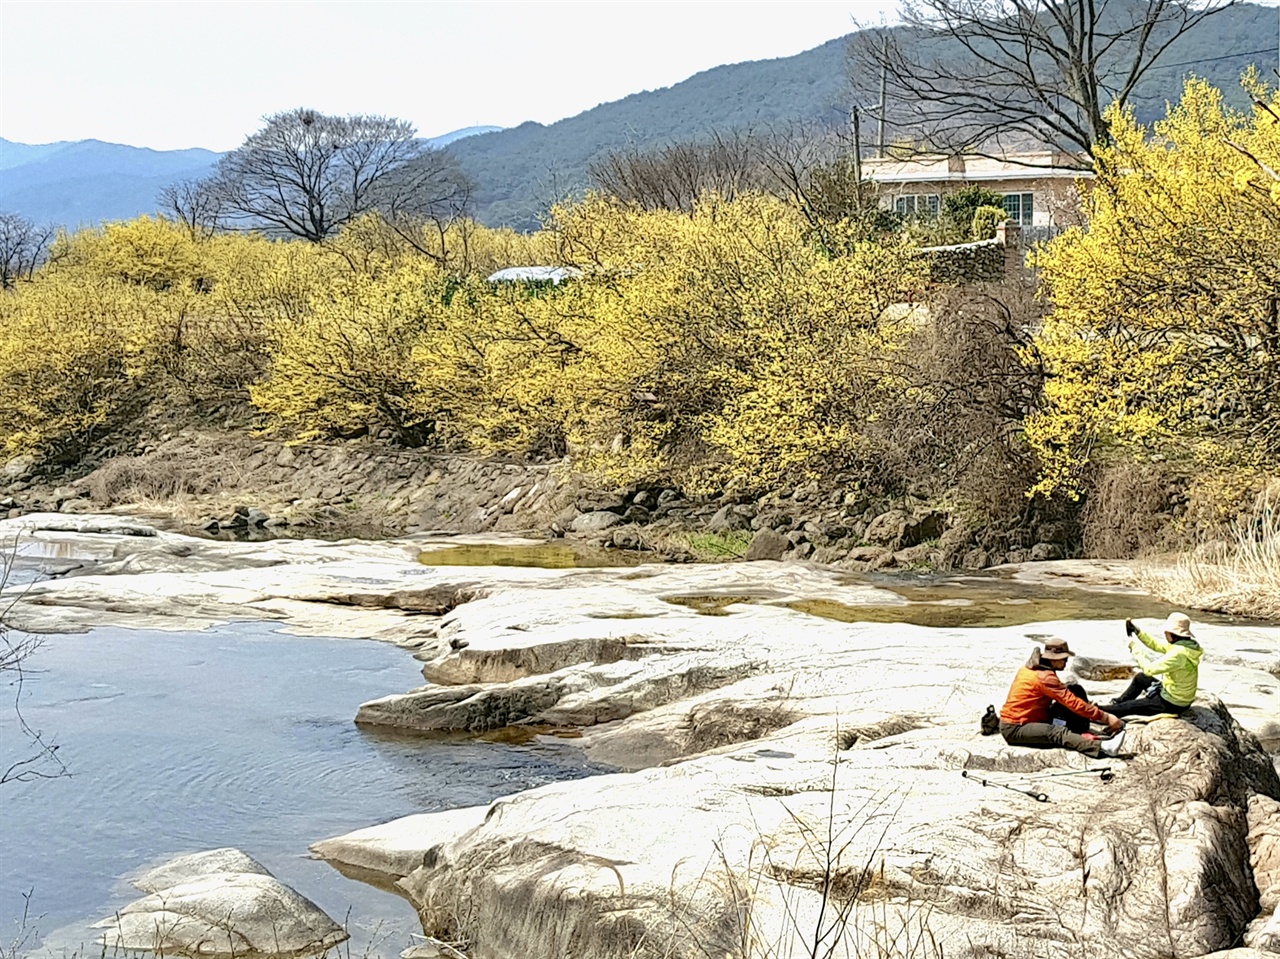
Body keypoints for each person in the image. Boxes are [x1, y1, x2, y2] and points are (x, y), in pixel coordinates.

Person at [999, 638, 1127, 758]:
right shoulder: (1044, 677)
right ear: (1054, 659)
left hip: (1035, 716)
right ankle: (1103, 747)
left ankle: (1079, 732)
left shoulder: (1035, 668)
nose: (1066, 662)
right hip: (1016, 727)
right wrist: (1106, 717)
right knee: (1056, 732)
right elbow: (1073, 703)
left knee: (1074, 690)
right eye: (1064, 659)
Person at [1107, 613, 1202, 718]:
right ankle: (1119, 702)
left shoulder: (1179, 654)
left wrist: (1135, 649)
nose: (1165, 634)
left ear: (1172, 633)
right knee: (1141, 678)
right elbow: (1156, 645)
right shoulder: (1187, 646)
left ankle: (1101, 710)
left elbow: (1149, 669)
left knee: (1128, 707)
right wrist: (1138, 632)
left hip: (1173, 703)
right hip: (1180, 697)